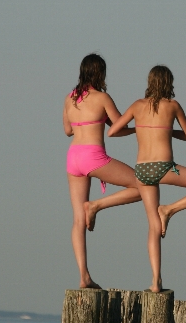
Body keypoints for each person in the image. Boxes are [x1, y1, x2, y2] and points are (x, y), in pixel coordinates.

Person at [108, 65, 186, 293]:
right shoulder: (173, 106)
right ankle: (170, 209)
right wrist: (167, 131)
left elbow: (112, 132)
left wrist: (139, 129)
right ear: (169, 83)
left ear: (150, 82)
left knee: (152, 227)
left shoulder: (137, 105)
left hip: (141, 170)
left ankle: (155, 281)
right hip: (164, 167)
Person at [63, 53, 142, 289]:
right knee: (141, 186)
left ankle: (84, 276)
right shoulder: (102, 97)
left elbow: (67, 130)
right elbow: (119, 128)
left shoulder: (69, 98)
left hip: (73, 157)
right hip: (93, 156)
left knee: (78, 220)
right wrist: (137, 130)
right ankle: (96, 205)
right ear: (100, 73)